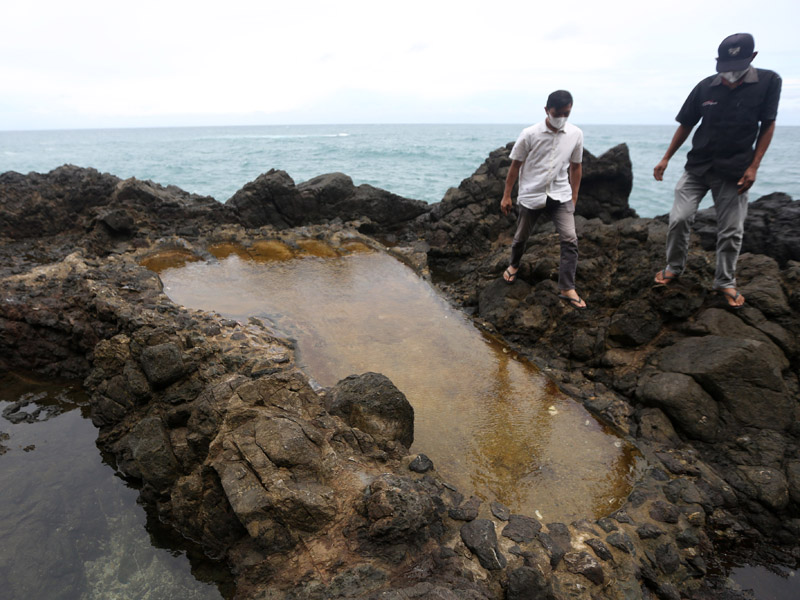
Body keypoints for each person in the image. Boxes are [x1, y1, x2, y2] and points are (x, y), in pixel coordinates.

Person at [653, 33, 782, 309]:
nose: (730, 73)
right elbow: (686, 124)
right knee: (679, 218)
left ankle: (725, 281)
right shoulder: (705, 87)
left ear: (752, 58)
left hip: (735, 170)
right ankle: (674, 266)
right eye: (725, 67)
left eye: (737, 66)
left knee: (731, 230)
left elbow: (768, 125)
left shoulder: (769, 82)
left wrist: (754, 167)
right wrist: (665, 158)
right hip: (698, 166)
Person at [500, 90, 585, 309]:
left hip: (561, 194)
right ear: (547, 110)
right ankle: (514, 265)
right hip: (532, 193)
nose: (562, 118)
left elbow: (576, 167)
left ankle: (567, 287)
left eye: (567, 113)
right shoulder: (530, 134)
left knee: (570, 240)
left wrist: (574, 196)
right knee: (521, 237)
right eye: (558, 113)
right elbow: (515, 165)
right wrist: (507, 195)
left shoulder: (575, 134)